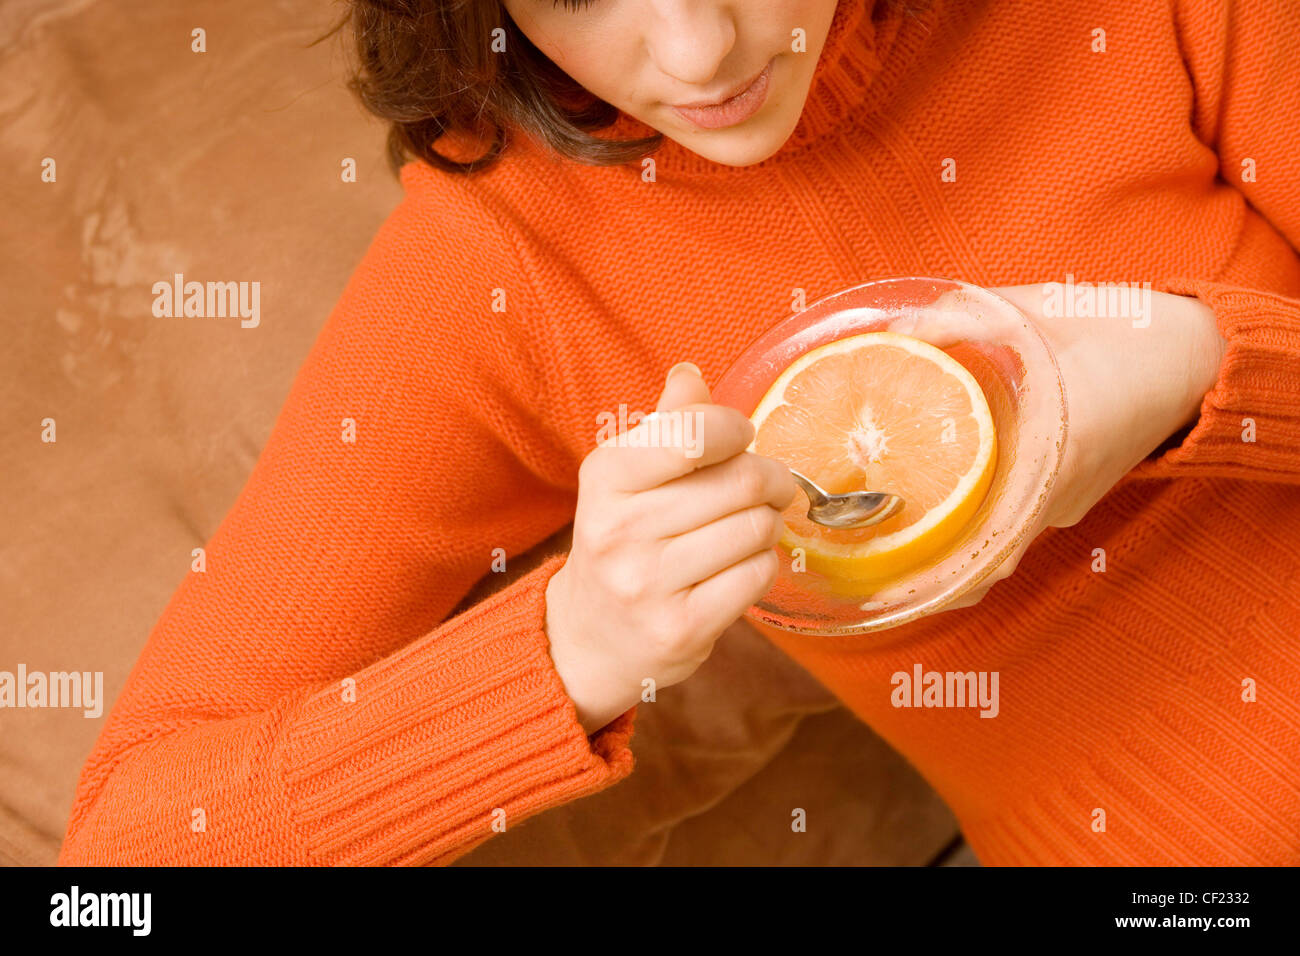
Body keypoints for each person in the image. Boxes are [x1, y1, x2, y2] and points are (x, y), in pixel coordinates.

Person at [61, 0, 1300, 865]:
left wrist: (1203, 365)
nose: (698, 49)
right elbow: (121, 864)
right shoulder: (500, 270)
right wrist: (570, 648)